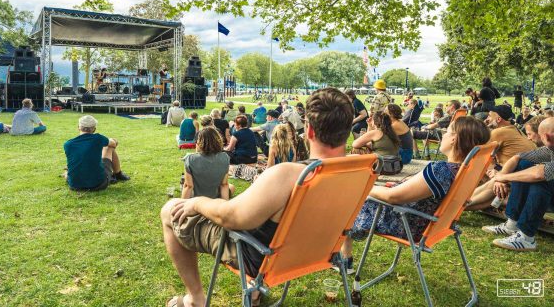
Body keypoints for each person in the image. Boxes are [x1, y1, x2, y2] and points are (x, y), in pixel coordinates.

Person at [161, 88, 354, 307]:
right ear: (347, 131)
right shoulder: (359, 173)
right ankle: (253, 292)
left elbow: (231, 218)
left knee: (170, 210)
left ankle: (194, 298)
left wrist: (196, 202)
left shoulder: (288, 175)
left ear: (308, 131)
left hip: (260, 255)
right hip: (315, 250)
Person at [337, 117, 491, 273]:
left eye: (447, 131)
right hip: (427, 223)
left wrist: (365, 187)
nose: (443, 134)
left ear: (454, 139)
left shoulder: (440, 170)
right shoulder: (463, 171)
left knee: (349, 203)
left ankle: (344, 259)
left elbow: (392, 197)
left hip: (404, 222)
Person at [482, 118, 554, 251]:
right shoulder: (551, 148)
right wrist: (499, 179)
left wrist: (503, 176)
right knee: (523, 164)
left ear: (546, 137)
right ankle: (512, 225)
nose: (529, 138)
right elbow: (518, 157)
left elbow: (540, 174)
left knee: (543, 180)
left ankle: (527, 238)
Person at [466, 105, 536, 210]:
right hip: (520, 174)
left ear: (498, 119)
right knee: (489, 177)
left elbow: (478, 154)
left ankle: (457, 205)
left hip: (514, 175)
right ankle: (461, 206)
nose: (487, 119)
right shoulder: (515, 130)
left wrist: (484, 128)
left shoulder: (499, 132)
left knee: (476, 166)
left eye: (489, 116)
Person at [63, 115, 130, 191]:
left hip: (74, 185)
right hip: (98, 184)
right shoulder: (98, 139)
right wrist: (112, 140)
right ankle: (118, 174)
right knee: (109, 147)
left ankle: (67, 173)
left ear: (78, 127)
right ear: (94, 129)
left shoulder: (68, 144)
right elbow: (113, 144)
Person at [182, 127, 232, 199]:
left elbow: (188, 186)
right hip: (214, 200)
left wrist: (182, 207)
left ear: (199, 142)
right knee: (231, 187)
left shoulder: (190, 159)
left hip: (195, 201)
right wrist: (224, 206)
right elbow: (224, 185)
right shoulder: (225, 157)